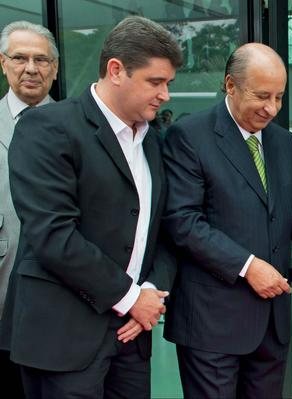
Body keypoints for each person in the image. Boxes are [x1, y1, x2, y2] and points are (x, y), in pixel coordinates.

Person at [0, 16, 181, 398]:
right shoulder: (48, 128)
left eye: (168, 84)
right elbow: (54, 235)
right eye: (155, 82)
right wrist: (131, 298)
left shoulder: (152, 141)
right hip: (64, 338)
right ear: (116, 70)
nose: (165, 94)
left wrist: (149, 290)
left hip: (131, 337)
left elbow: (161, 229)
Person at [162, 43, 292, 398]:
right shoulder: (190, 137)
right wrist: (247, 266)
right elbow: (183, 222)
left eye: (279, 97)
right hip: (212, 322)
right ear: (230, 86)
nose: (272, 108)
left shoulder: (282, 142)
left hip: (271, 322)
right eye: (262, 96)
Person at [0, 20, 59, 399]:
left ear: (54, 68)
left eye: (42, 59)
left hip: (59, 297)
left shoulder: (81, 127)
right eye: (20, 58)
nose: (31, 68)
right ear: (3, 63)